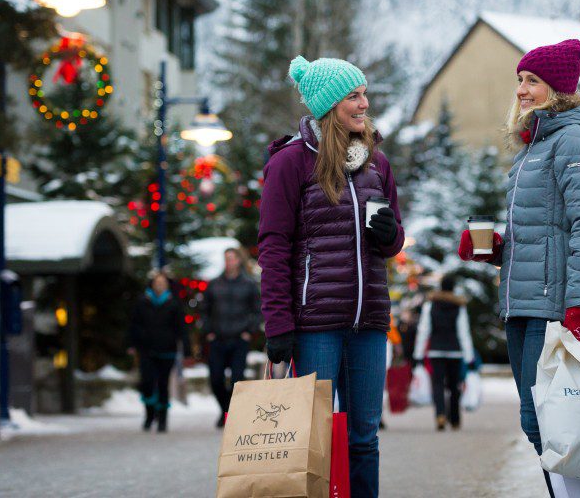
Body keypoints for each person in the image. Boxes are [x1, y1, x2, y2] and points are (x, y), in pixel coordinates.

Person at [458, 39, 580, 496]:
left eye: (533, 81)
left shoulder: (576, 140)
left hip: (553, 305)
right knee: (539, 424)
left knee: (550, 423)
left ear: (559, 89)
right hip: (524, 302)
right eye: (520, 80)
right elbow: (543, 231)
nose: (521, 90)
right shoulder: (536, 144)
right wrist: (494, 248)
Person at [258, 55, 405, 498]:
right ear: (328, 105)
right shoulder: (291, 163)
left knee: (364, 438)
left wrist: (389, 235)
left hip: (369, 322)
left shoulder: (376, 162)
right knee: (314, 440)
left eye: (364, 94)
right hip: (314, 324)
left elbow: (394, 240)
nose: (364, 104)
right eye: (352, 96)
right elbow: (273, 246)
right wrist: (278, 326)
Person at [201, 247, 261, 428]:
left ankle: (228, 413)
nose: (229, 262)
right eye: (226, 258)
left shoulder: (249, 284)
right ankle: (225, 409)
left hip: (239, 339)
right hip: (217, 339)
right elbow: (204, 310)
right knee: (216, 379)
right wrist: (208, 331)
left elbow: (258, 311)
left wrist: (249, 331)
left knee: (237, 379)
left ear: (239, 260)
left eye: (232, 258)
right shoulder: (214, 284)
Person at [128, 270, 190, 432]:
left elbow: (181, 328)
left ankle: (162, 419)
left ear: (167, 285)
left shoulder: (174, 304)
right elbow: (134, 324)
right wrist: (132, 343)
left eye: (163, 283)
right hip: (146, 349)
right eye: (157, 283)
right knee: (147, 383)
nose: (159, 286)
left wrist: (187, 349)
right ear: (152, 284)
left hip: (167, 349)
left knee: (163, 384)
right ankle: (149, 414)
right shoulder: (142, 302)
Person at [412, 273, 476, 431]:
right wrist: (469, 357)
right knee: (454, 386)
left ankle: (440, 415)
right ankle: (455, 419)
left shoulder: (430, 305)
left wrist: (418, 354)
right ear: (453, 288)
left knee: (437, 385)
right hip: (455, 352)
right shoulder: (459, 306)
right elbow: (463, 332)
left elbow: (424, 331)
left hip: (435, 351)